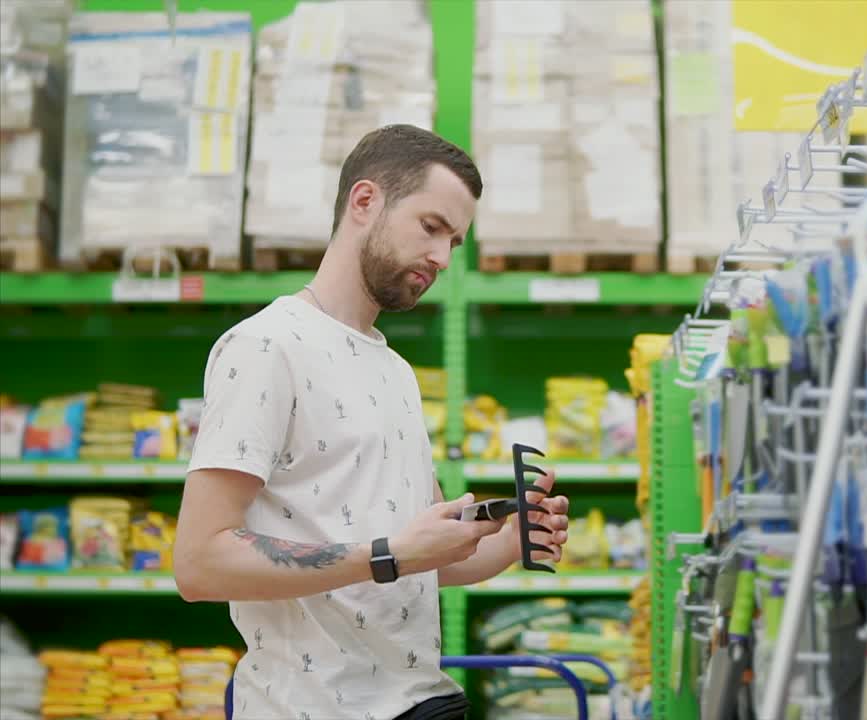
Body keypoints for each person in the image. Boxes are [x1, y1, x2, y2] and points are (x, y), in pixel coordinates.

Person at [173, 125, 570, 720]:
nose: (442, 257)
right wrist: (388, 554)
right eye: (431, 227)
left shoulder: (395, 370)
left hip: (419, 701)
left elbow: (430, 559)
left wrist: (513, 537)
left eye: (455, 242)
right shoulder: (265, 347)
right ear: (365, 202)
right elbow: (199, 563)